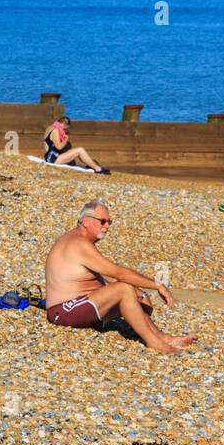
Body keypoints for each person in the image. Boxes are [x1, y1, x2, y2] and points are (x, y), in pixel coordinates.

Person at [44, 201, 196, 355]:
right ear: (86, 221)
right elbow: (119, 273)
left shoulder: (82, 242)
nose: (107, 226)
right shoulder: (78, 244)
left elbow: (108, 275)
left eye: (109, 222)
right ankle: (154, 343)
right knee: (124, 289)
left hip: (83, 305)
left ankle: (164, 337)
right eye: (102, 221)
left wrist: (140, 292)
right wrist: (158, 286)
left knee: (138, 295)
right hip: (64, 311)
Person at [43, 117, 107, 172]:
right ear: (63, 124)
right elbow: (59, 147)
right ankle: (98, 169)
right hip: (53, 159)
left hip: (49, 156)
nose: (64, 130)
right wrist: (66, 139)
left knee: (72, 150)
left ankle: (92, 165)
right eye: (65, 128)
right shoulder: (55, 130)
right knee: (80, 150)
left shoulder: (50, 127)